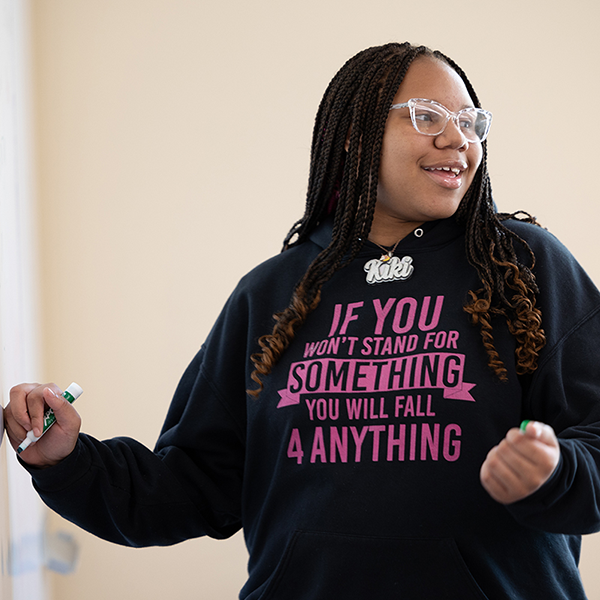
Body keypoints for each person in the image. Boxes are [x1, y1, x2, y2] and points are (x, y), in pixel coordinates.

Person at [4, 42, 600, 599]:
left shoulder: (523, 267)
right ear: (355, 138)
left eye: (470, 122)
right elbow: (189, 487)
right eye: (426, 116)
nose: (457, 140)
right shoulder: (272, 292)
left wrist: (555, 471)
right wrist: (67, 460)